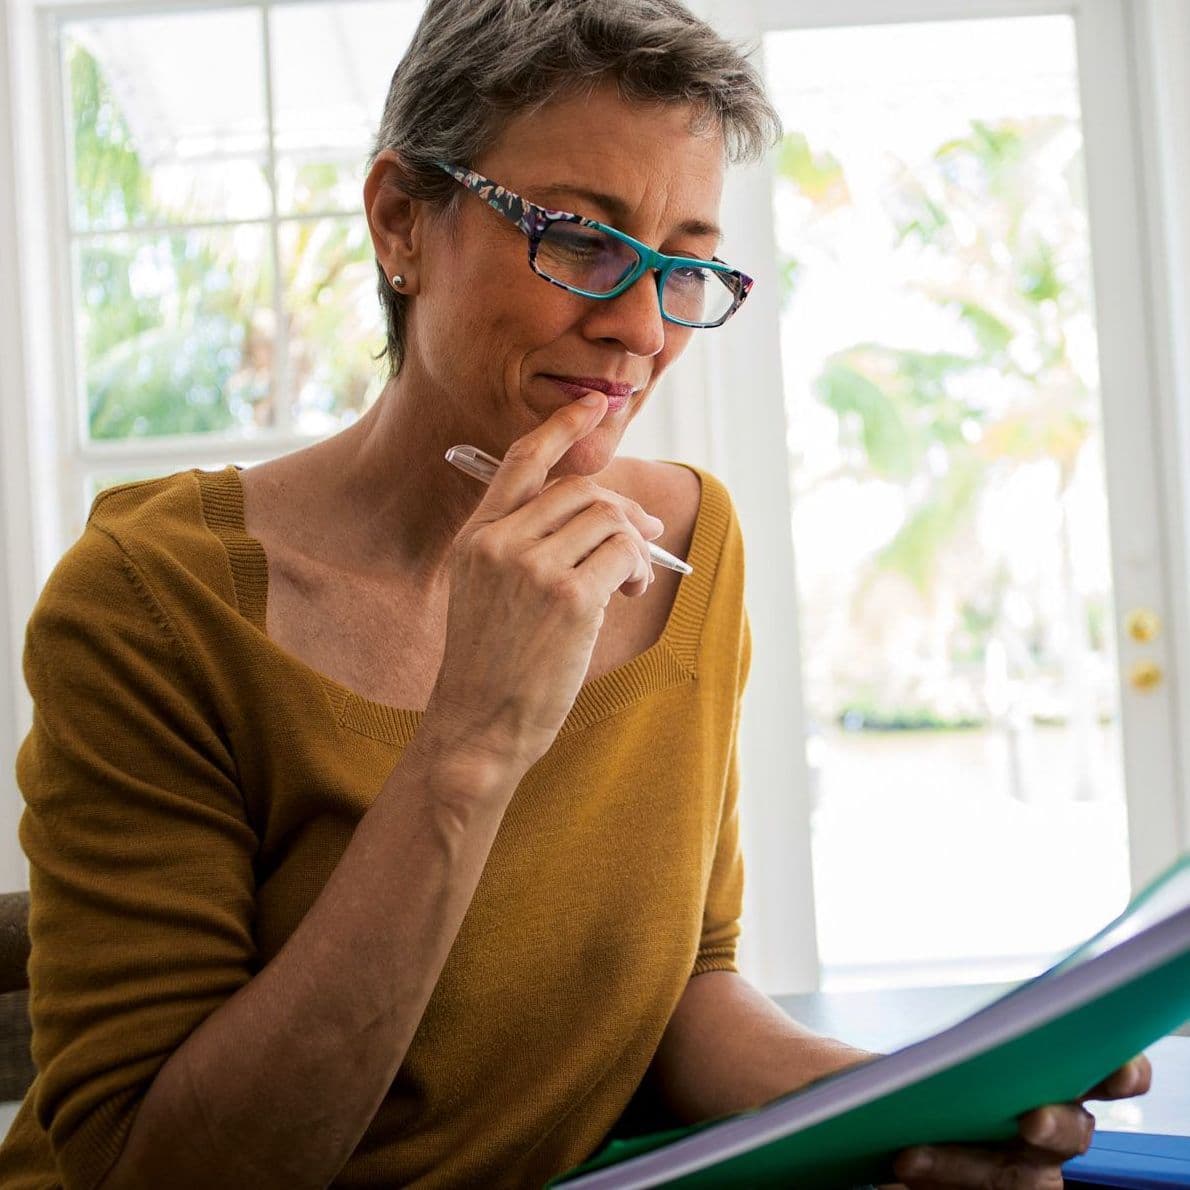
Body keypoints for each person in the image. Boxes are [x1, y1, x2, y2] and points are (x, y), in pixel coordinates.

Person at [0, 1, 1150, 1186]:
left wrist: (897, 1103)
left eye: (685, 263)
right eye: (580, 240)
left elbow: (684, 985)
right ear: (400, 220)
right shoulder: (151, 602)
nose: (640, 329)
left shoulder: (689, 547)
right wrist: (471, 739)